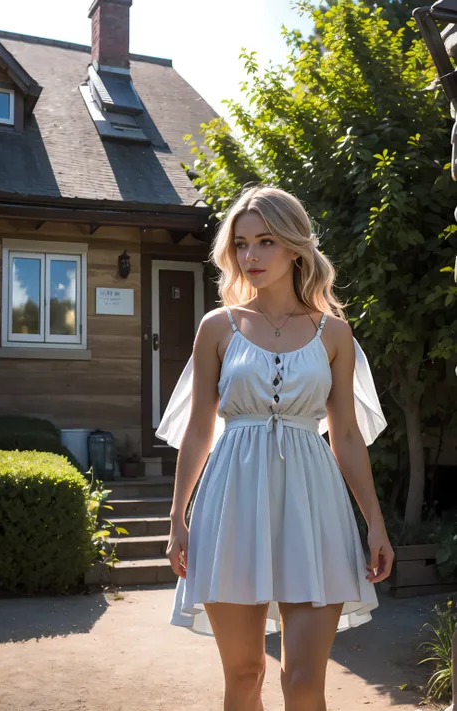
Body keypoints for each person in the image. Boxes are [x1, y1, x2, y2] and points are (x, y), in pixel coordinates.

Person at [156, 184, 394, 711]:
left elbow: (346, 436)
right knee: (243, 676)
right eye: (242, 244)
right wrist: (178, 517)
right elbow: (199, 430)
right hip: (230, 505)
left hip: (315, 509)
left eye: (265, 241)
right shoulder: (216, 328)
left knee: (304, 682)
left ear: (294, 247)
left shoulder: (334, 335)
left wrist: (374, 522)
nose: (251, 256)